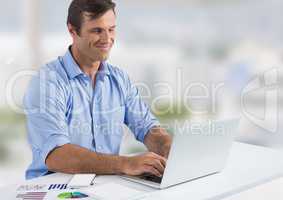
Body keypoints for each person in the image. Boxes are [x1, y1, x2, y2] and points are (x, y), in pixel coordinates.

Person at [24, 0, 172, 180]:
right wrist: (126, 164)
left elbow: (147, 127)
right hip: (54, 187)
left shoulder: (119, 79)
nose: (107, 39)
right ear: (72, 30)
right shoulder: (48, 83)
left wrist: (168, 148)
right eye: (96, 31)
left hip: (104, 184)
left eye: (111, 29)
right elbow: (56, 154)